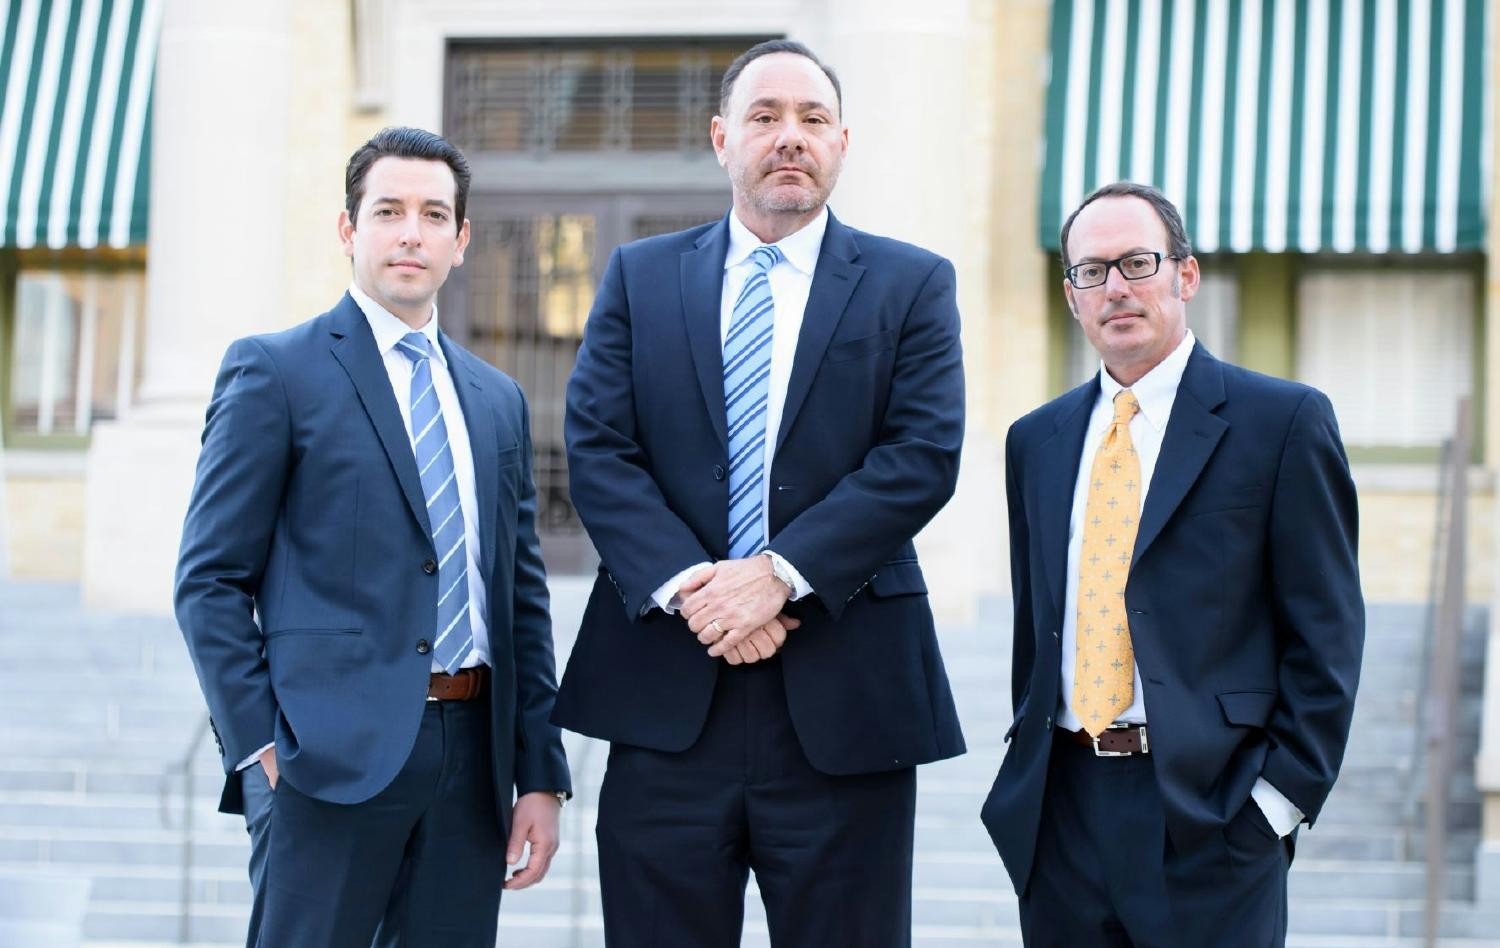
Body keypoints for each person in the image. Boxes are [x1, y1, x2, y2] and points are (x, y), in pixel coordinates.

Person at [552, 38, 966, 948]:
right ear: (720, 138)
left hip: (847, 697)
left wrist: (777, 576)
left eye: (812, 120)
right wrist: (702, 593)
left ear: (843, 142)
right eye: (766, 118)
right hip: (667, 695)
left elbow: (922, 454)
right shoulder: (639, 276)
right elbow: (598, 448)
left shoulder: (911, 284)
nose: (790, 137)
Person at [174, 126, 571, 948]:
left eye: (433, 215)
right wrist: (262, 749)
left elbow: (520, 602)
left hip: (473, 761)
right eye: (388, 211)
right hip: (323, 764)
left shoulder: (495, 400)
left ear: (461, 241)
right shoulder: (275, 372)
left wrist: (541, 775)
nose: (410, 233)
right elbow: (208, 580)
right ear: (350, 230)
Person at [982, 181, 1364, 946]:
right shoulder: (1038, 440)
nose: (1116, 287)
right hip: (1061, 810)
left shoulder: (1282, 422)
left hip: (1210, 815)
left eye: (1137, 262)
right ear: (1071, 296)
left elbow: (1328, 635)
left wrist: (1275, 806)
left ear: (1185, 277)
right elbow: (1039, 627)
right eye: (1093, 271)